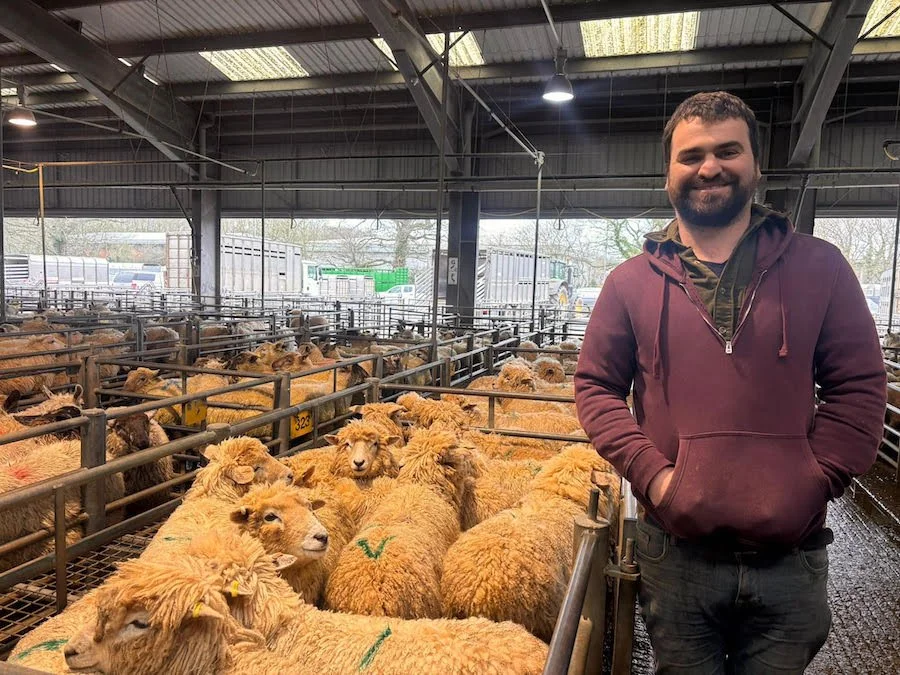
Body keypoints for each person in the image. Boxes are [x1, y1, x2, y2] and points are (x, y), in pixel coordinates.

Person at [574, 91, 887, 674]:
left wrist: (816, 480)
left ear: (756, 166)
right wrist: (656, 477)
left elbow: (860, 386)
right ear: (669, 171)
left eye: (727, 151)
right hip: (677, 553)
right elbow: (595, 387)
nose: (709, 167)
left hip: (791, 557)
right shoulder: (629, 283)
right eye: (691, 155)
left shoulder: (820, 268)